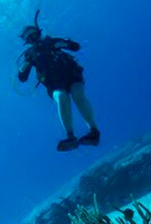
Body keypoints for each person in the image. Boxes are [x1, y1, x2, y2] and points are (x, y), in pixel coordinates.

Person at [17, 12, 101, 152]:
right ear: (27, 42)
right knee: (61, 97)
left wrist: (63, 43)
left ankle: (94, 131)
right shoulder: (29, 54)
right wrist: (25, 64)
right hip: (54, 83)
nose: (33, 39)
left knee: (77, 94)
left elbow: (75, 47)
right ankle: (70, 137)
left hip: (71, 75)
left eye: (34, 35)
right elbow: (22, 78)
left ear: (39, 33)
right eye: (30, 38)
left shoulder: (51, 41)